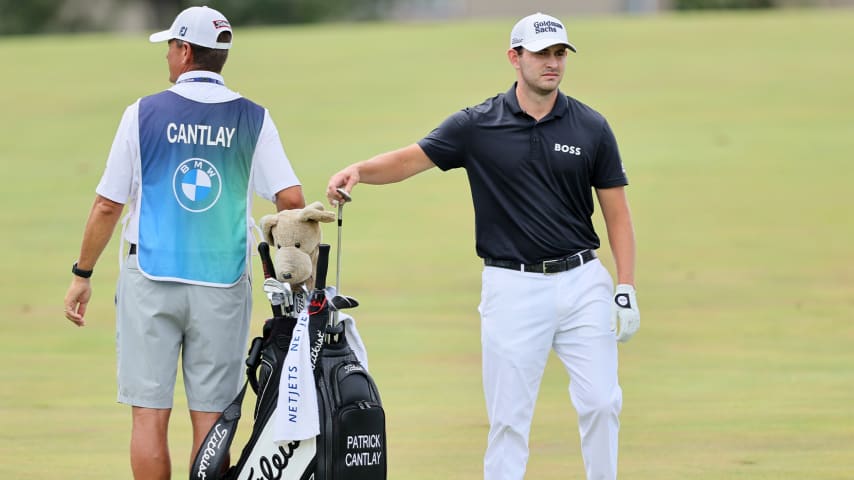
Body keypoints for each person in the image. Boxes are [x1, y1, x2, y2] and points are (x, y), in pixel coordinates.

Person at [326, 11, 640, 480]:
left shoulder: (591, 127)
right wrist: (359, 172)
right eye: (541, 54)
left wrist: (626, 287)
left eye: (559, 54)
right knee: (509, 420)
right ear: (515, 58)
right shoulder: (477, 124)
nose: (552, 63)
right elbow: (411, 160)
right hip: (511, 287)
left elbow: (617, 213)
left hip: (582, 282)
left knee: (602, 402)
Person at [62, 6, 305, 479]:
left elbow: (108, 205)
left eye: (171, 48)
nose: (168, 57)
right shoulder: (254, 118)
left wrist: (82, 274)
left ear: (185, 51)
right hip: (222, 282)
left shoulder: (143, 113)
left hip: (150, 276)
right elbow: (290, 199)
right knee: (212, 417)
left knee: (149, 414)